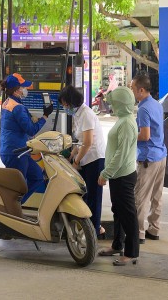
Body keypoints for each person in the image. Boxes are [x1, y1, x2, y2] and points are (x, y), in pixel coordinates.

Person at [97, 86, 140, 266]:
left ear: (121, 104)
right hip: (119, 175)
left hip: (123, 176)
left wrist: (106, 173)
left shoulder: (127, 124)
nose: (111, 106)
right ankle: (117, 245)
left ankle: (131, 253)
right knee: (119, 212)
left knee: (128, 215)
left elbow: (120, 154)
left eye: (114, 103)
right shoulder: (123, 119)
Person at [59, 84, 106, 237]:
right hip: (86, 157)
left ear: (70, 101)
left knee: (93, 195)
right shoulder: (77, 113)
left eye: (65, 104)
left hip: (94, 158)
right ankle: (89, 227)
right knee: (85, 193)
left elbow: (88, 142)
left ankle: (95, 229)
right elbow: (80, 141)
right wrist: (72, 154)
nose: (65, 107)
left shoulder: (86, 114)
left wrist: (76, 162)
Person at [0, 73, 53, 201]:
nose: (25, 89)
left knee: (37, 177)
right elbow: (30, 129)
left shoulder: (9, 102)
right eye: (23, 87)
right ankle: (12, 209)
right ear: (17, 90)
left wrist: (35, 118)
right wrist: (45, 116)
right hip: (16, 152)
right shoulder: (17, 107)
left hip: (18, 150)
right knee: (18, 187)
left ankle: (17, 204)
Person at [131, 74, 167, 244]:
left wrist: (130, 135)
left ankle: (138, 233)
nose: (131, 91)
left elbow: (145, 135)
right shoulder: (156, 104)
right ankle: (154, 229)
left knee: (140, 197)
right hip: (161, 155)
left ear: (141, 90)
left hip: (148, 158)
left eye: (132, 88)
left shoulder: (143, 108)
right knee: (156, 196)